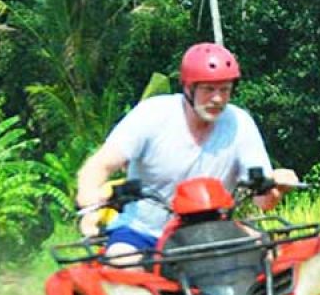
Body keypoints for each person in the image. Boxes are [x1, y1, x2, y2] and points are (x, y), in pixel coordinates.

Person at [75, 42, 299, 256]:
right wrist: (89, 199)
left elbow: (263, 202)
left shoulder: (240, 123)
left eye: (225, 89)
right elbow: (100, 165)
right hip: (143, 233)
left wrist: (276, 186)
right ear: (188, 88)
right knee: (122, 262)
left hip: (213, 232)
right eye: (208, 89)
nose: (217, 98)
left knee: (269, 259)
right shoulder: (151, 115)